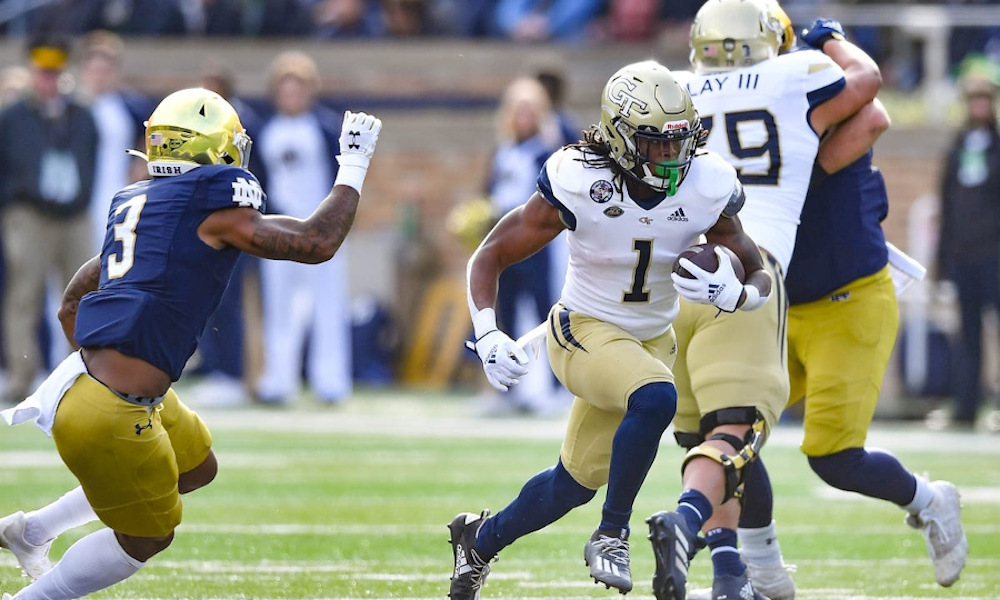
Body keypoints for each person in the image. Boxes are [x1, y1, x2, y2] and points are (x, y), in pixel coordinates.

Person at [0, 88, 381, 599]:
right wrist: (353, 166)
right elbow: (317, 243)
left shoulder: (137, 202)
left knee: (197, 467)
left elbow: (71, 301)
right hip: (109, 405)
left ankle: (33, 530)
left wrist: (105, 368)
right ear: (212, 150)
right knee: (149, 536)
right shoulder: (213, 204)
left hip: (94, 383)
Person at [449, 60, 773, 600]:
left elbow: (755, 266)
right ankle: (612, 534)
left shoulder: (706, 181)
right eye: (657, 145)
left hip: (649, 341)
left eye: (680, 142)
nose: (673, 158)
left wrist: (738, 294)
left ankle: (478, 541)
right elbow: (491, 255)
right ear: (622, 138)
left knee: (570, 484)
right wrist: (487, 332)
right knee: (657, 397)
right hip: (583, 330)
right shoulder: (581, 178)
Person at [646, 2, 883, 599]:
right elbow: (869, 89)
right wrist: (831, 40)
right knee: (735, 433)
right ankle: (687, 521)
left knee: (702, 433)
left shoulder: (680, 89)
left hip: (676, 272)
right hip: (749, 267)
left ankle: (731, 576)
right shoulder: (795, 73)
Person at [0, 32, 99, 406]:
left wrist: (80, 198)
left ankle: (84, 374)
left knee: (84, 295)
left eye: (54, 72)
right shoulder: (13, 115)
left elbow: (90, 160)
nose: (48, 79)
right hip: (29, 213)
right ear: (32, 71)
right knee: (24, 295)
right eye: (42, 72)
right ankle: (20, 376)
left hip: (74, 214)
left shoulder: (81, 113)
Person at [255, 52, 354, 406]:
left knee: (328, 306)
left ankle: (331, 382)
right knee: (278, 307)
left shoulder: (326, 129)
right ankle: (278, 381)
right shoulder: (265, 131)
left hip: (321, 228)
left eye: (299, 88)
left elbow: (343, 180)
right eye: (286, 88)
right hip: (278, 230)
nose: (292, 95)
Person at [480, 76, 563, 415]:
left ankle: (560, 388)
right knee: (506, 313)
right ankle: (508, 390)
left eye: (530, 110)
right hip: (506, 244)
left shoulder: (546, 153)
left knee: (548, 313)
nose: (523, 117)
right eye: (518, 110)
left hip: (536, 244)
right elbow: (490, 193)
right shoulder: (502, 152)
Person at [934, 62, 1000, 430]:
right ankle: (966, 406)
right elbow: (947, 203)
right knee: (968, 331)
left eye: (983, 100)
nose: (978, 107)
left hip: (994, 253)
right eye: (972, 100)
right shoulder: (958, 148)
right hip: (964, 254)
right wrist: (944, 258)